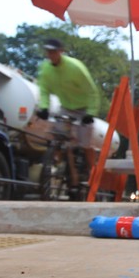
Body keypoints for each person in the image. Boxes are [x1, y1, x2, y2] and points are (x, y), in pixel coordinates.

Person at [35, 38, 101, 195]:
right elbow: (43, 90)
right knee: (57, 136)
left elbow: (92, 91)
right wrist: (43, 108)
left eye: (54, 51)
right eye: (49, 51)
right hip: (66, 107)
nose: (51, 55)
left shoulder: (75, 67)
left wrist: (90, 113)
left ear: (61, 51)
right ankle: (59, 164)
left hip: (84, 108)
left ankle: (92, 175)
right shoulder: (45, 69)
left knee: (85, 144)